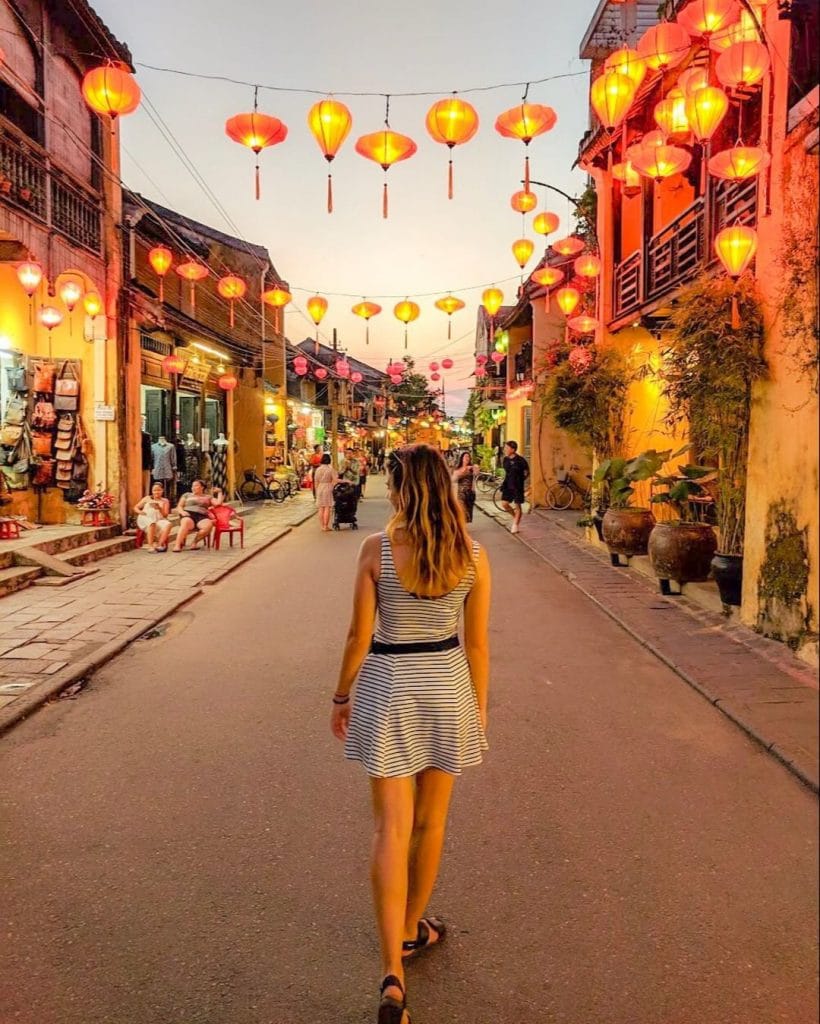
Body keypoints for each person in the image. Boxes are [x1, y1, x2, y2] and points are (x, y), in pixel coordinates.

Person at [330, 444, 491, 1024]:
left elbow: (357, 637)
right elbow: (476, 645)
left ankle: (391, 974)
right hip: (448, 689)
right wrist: (479, 708)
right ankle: (410, 930)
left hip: (390, 686)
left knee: (390, 828)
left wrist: (341, 695)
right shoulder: (471, 554)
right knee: (431, 823)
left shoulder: (376, 551)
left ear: (399, 490)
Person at [172, 479, 221, 551]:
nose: (193, 488)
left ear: (202, 487)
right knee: (185, 522)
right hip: (188, 514)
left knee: (208, 526)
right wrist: (182, 512)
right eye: (192, 486)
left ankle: (194, 543)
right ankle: (177, 545)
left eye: (196, 486)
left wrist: (219, 492)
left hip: (202, 516)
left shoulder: (208, 497)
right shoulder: (187, 495)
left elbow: (218, 504)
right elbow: (179, 506)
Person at [500, 440, 529, 535]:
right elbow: (507, 471)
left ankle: (515, 524)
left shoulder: (521, 460)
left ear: (513, 449)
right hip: (508, 484)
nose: (505, 449)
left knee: (517, 505)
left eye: (507, 448)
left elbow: (526, 472)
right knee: (504, 504)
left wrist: (520, 480)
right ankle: (515, 517)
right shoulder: (505, 459)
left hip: (517, 486)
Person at [134, 482, 172, 552]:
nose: (157, 492)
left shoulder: (165, 501)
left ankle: (159, 545)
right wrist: (140, 512)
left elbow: (165, 515)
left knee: (168, 524)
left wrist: (159, 508)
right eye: (154, 490)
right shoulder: (147, 498)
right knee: (152, 523)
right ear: (152, 491)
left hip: (158, 519)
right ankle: (150, 546)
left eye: (159, 490)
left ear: (162, 490)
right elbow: (136, 507)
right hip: (145, 518)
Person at [313, 453, 339, 532]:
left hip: (320, 487)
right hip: (328, 487)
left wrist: (317, 490)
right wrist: (332, 485)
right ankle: (326, 526)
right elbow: (335, 480)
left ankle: (322, 526)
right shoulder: (330, 469)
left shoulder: (318, 469)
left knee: (321, 507)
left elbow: (316, 481)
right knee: (327, 507)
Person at [452, 450, 478, 523]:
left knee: (467, 510)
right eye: (465, 456)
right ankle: (460, 524)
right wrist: (464, 472)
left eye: (468, 457)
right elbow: (453, 479)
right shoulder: (457, 469)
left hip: (468, 492)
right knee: (460, 508)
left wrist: (475, 467)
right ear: (461, 458)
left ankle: (462, 525)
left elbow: (476, 474)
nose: (467, 458)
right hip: (459, 492)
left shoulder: (472, 468)